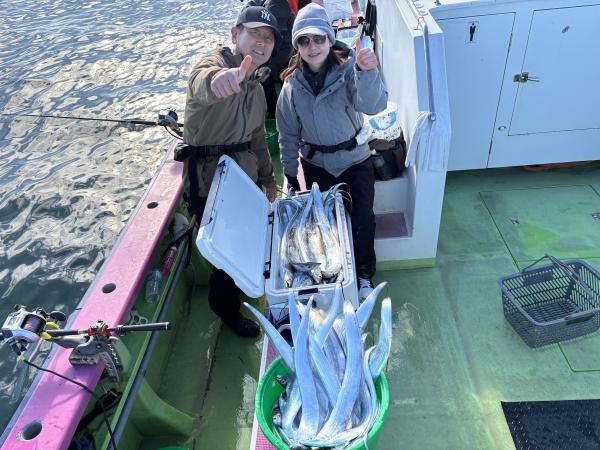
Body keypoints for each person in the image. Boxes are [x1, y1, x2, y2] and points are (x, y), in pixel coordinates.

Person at [276, 3, 388, 300]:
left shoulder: (350, 70)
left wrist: (368, 72)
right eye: (304, 40)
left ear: (330, 38)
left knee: (363, 219)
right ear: (297, 46)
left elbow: (373, 106)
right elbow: (287, 134)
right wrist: (290, 172)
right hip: (317, 165)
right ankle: (333, 277)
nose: (312, 47)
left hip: (355, 161)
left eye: (318, 38)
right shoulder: (290, 87)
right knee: (325, 226)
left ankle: (364, 275)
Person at [182, 6, 280, 337]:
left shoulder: (257, 87)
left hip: (244, 180)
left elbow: (257, 139)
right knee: (225, 255)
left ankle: (242, 287)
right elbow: (201, 81)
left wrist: (268, 178)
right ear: (235, 34)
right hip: (209, 183)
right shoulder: (216, 65)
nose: (261, 42)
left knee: (248, 238)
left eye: (268, 38)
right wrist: (218, 80)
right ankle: (226, 310)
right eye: (254, 34)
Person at [248, 0, 295, 118]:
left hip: (285, 55)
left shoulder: (285, 18)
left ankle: (280, 111)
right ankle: (267, 109)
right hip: (268, 51)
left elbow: (287, 50)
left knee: (285, 76)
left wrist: (270, 67)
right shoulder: (259, 9)